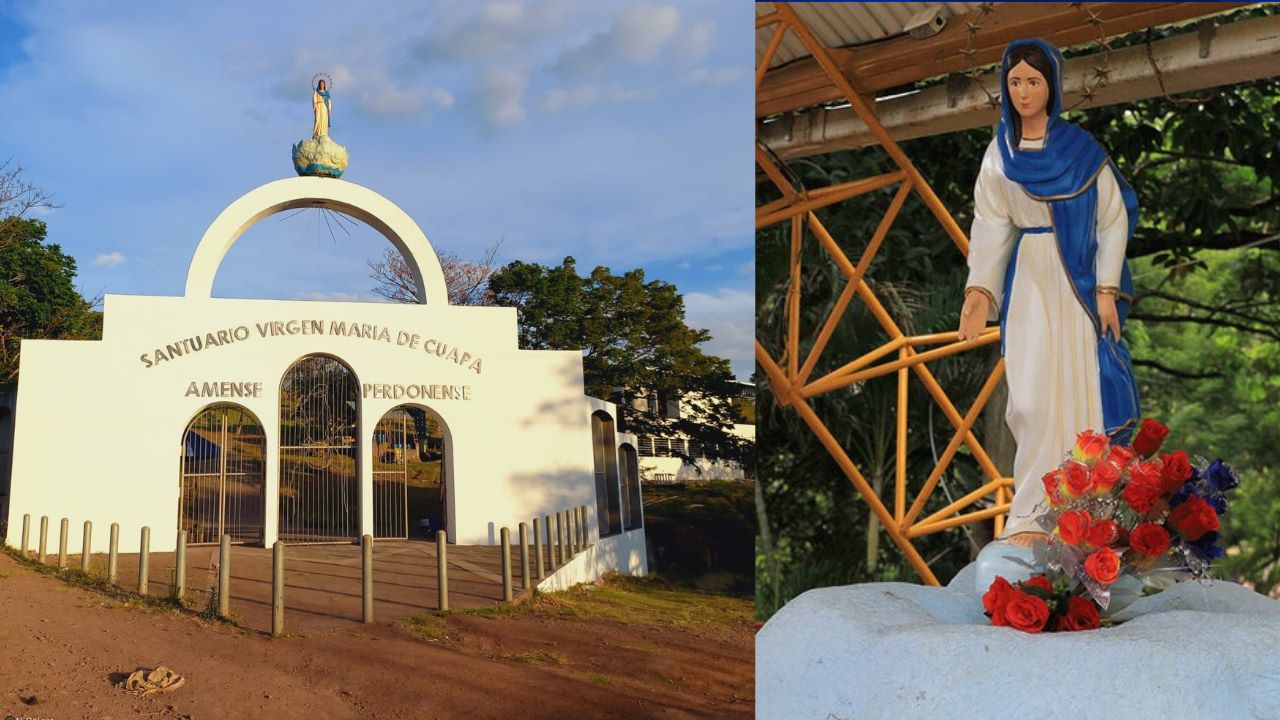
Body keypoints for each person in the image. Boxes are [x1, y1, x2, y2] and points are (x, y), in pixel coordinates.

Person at [956, 38, 1141, 548]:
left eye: (1033, 81)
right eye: (1014, 82)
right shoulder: (999, 155)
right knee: (1032, 398)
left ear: (1052, 86)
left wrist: (1106, 289)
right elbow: (991, 223)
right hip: (1030, 281)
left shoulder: (1082, 151)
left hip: (1078, 284)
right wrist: (979, 292)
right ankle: (1034, 513)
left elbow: (1112, 219)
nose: (1023, 91)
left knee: (1080, 391)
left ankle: (1086, 511)